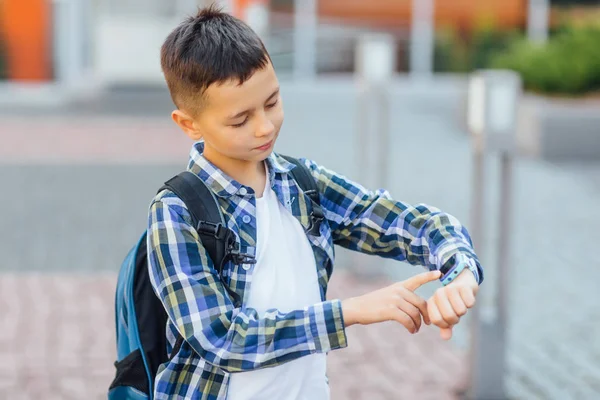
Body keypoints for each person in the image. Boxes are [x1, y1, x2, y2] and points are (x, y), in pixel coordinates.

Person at [147, 5, 483, 400]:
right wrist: (350, 312)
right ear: (189, 124)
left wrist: (459, 271)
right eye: (240, 120)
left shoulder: (300, 183)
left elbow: (410, 224)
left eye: (272, 102)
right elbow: (221, 338)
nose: (265, 126)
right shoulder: (177, 211)